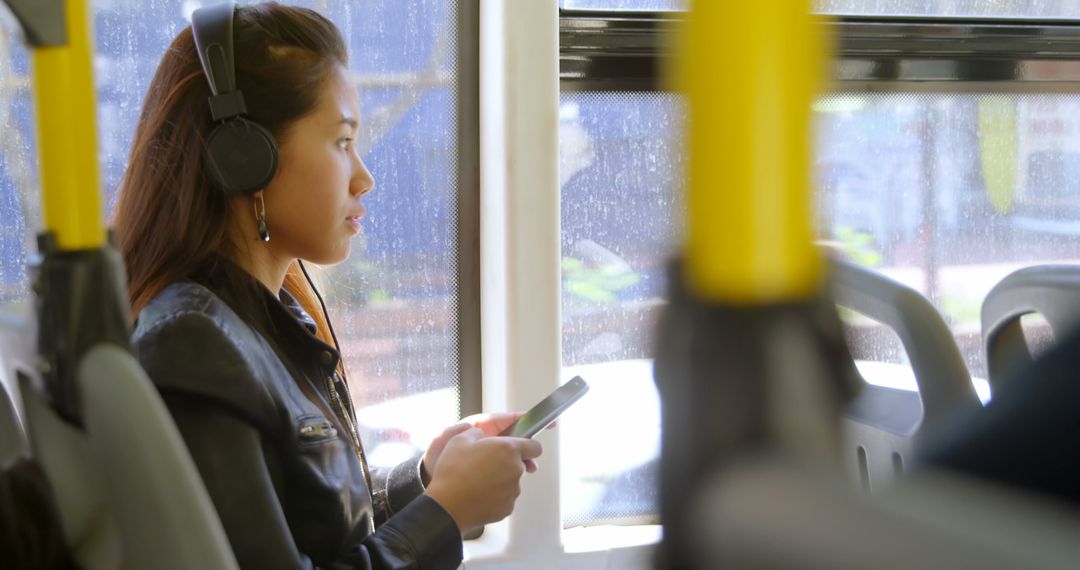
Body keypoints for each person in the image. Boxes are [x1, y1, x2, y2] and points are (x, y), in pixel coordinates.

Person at [111, 3, 542, 568]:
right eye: (342, 141)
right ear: (246, 157)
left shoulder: (265, 320)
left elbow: (318, 530)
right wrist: (446, 513)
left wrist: (429, 479)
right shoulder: (193, 344)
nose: (365, 177)